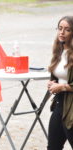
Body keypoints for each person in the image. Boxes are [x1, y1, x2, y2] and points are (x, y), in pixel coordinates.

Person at [47, 16, 73, 150]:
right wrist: (53, 83)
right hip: (59, 103)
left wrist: (62, 86)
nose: (62, 32)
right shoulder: (59, 50)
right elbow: (59, 75)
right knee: (53, 146)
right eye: (60, 28)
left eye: (67, 30)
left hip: (72, 107)